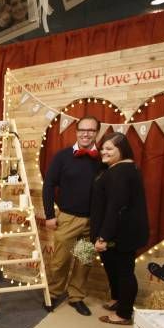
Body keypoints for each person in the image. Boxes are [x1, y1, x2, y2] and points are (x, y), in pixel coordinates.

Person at [42, 115, 103, 316]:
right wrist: (50, 214)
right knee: (59, 261)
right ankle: (53, 292)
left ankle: (76, 297)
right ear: (76, 132)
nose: (86, 134)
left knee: (83, 262)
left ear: (97, 133)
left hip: (92, 222)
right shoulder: (62, 156)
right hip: (67, 219)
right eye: (82, 130)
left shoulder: (103, 158)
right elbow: (49, 185)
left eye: (91, 130)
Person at [91, 132, 149, 325]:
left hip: (121, 233)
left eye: (109, 149)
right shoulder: (116, 168)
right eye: (103, 148)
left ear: (121, 150)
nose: (104, 152)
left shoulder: (121, 171)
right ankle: (117, 300)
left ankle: (123, 314)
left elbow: (116, 206)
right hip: (115, 232)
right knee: (112, 268)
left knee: (124, 271)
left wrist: (104, 237)